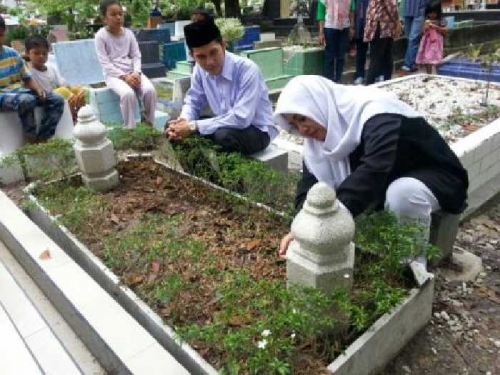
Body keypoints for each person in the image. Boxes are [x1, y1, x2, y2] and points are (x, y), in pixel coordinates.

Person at [274, 75, 468, 270]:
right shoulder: (321, 135)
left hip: (435, 174)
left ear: (317, 103)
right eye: (294, 125)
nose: (302, 130)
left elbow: (376, 167)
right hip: (388, 180)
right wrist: (301, 227)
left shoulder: (375, 111)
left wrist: (326, 221)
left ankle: (410, 269)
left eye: (302, 118)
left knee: (402, 192)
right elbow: (310, 184)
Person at [166, 19, 277, 156]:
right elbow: (193, 102)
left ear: (223, 45)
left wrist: (193, 126)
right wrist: (183, 121)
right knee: (172, 128)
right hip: (224, 124)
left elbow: (242, 118)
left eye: (213, 52)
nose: (209, 62)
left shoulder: (247, 70)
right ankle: (197, 174)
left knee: (223, 137)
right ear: (192, 55)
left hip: (257, 130)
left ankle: (230, 178)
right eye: (201, 57)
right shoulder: (199, 69)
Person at [0, 15, 64, 143]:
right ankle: (30, 139)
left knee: (56, 99)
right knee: (27, 100)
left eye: (0, 36)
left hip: (20, 91)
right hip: (3, 96)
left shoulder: (12, 53)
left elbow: (27, 78)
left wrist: (39, 90)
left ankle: (43, 139)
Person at [95, 0, 157, 129]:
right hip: (113, 76)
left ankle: (149, 124)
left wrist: (136, 72)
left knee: (150, 91)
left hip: (132, 72)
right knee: (127, 94)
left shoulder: (128, 34)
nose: (118, 17)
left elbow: (136, 55)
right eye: (113, 14)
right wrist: (124, 76)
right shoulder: (101, 36)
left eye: (120, 14)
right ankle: (130, 128)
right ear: (104, 18)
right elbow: (105, 63)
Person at [25, 35, 86, 123]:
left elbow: (63, 83)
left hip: (59, 95)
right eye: (36, 53)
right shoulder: (29, 73)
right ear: (27, 53)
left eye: (44, 53)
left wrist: (76, 90)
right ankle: (72, 120)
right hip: (45, 99)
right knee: (63, 91)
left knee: (80, 91)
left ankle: (83, 116)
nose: (41, 56)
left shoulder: (51, 69)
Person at [363, 0, 402, 84]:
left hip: (381, 26)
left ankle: (382, 83)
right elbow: (391, 6)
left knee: (383, 56)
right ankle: (370, 84)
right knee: (379, 57)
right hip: (381, 26)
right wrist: (397, 22)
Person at [317, 0, 355, 83]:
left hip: (344, 27)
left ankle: (339, 79)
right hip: (329, 27)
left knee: (341, 56)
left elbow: (352, 10)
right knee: (330, 56)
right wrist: (321, 32)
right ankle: (328, 81)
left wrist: (352, 26)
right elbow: (321, 13)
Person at [415, 0, 447, 74]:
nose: (432, 15)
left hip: (436, 42)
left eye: (434, 13)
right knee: (427, 58)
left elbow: (445, 31)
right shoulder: (425, 20)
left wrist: (435, 27)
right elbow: (421, 33)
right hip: (426, 43)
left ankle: (438, 74)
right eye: (430, 13)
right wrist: (424, 28)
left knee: (436, 58)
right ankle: (429, 74)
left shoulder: (441, 20)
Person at [400, 0, 428, 75]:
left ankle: (407, 65)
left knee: (413, 39)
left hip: (420, 11)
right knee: (409, 38)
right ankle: (413, 64)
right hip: (407, 11)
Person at [353, 0, 370, 84]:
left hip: (372, 26)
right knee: (360, 53)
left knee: (376, 51)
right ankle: (360, 75)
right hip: (360, 25)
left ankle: (378, 73)